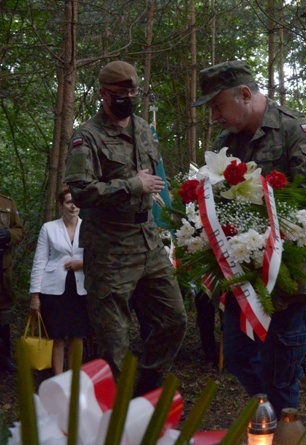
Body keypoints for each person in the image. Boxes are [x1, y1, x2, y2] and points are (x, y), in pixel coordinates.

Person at [192, 60, 306, 413]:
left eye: (216, 105)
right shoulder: (225, 141)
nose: (213, 116)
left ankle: (281, 423)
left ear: (244, 94)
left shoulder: (295, 130)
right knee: (239, 359)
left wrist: (268, 243)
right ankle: (269, 417)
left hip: (290, 283)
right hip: (243, 282)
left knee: (281, 378)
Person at [64, 60, 187, 396]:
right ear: (104, 93)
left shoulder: (145, 129)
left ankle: (147, 385)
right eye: (121, 93)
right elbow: (81, 191)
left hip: (147, 239)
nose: (128, 98)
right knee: (113, 340)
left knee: (174, 319)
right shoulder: (86, 136)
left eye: (133, 92)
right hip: (110, 248)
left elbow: (154, 178)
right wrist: (132, 185)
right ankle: (116, 413)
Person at [28, 186, 91, 375]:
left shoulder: (89, 227)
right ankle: (58, 380)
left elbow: (99, 257)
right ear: (60, 205)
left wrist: (82, 263)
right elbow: (39, 261)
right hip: (53, 290)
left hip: (81, 289)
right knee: (57, 337)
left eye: (76, 202)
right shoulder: (48, 228)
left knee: (77, 336)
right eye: (68, 202)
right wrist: (35, 295)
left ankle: (74, 380)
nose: (73, 206)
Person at [0, 192, 25, 373]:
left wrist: (7, 234)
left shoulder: (7, 202)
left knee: (4, 314)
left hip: (2, 270)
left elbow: (20, 230)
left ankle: (4, 357)